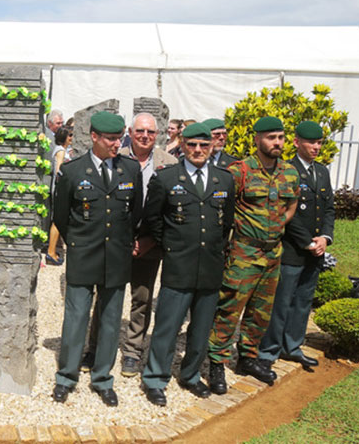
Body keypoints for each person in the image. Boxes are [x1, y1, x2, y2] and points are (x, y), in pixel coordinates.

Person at [140, 123, 235, 406]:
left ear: (211, 148)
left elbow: (226, 222)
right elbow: (153, 220)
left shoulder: (224, 180)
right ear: (182, 145)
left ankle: (191, 374)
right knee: (167, 326)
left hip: (210, 266)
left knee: (201, 327)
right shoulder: (167, 178)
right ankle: (155, 378)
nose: (197, 150)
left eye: (203, 146)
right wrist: (172, 246)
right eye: (192, 145)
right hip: (179, 264)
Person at [51, 111, 142, 406]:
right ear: (94, 137)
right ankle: (66, 376)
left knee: (111, 319)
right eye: (111, 139)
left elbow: (134, 213)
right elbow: (61, 216)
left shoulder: (130, 170)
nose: (118, 143)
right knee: (76, 318)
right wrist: (78, 244)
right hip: (84, 254)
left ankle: (103, 378)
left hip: (116, 255)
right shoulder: (73, 171)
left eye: (119, 138)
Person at [207, 116, 299, 392]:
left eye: (281, 138)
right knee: (230, 308)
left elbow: (292, 202)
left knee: (261, 311)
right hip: (244, 253)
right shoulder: (239, 171)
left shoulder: (290, 172)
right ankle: (216, 363)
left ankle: (248, 358)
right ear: (257, 139)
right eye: (272, 138)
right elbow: (223, 207)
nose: (277, 143)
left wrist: (279, 224)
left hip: (273, 255)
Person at [84, 113, 177, 377]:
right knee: (105, 298)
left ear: (157, 134)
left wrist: (149, 240)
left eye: (150, 132)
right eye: (140, 131)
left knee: (142, 298)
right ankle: (96, 348)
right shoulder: (114, 154)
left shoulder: (168, 163)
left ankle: (133, 352)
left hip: (149, 242)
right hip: (114, 242)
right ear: (130, 132)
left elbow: (171, 210)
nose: (145, 136)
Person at [258, 121, 334, 371]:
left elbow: (329, 209)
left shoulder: (321, 171)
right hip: (292, 249)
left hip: (315, 251)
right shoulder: (286, 171)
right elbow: (285, 213)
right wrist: (307, 242)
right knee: (281, 301)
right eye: (311, 142)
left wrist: (325, 238)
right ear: (296, 142)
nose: (316, 147)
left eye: (319, 142)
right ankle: (269, 351)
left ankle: (292, 346)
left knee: (303, 301)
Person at [45, 126, 73, 265]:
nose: (71, 138)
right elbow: (59, 171)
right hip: (59, 187)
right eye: (70, 135)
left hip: (58, 187)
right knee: (57, 220)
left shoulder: (61, 149)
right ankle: (51, 251)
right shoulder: (61, 151)